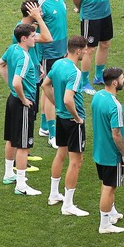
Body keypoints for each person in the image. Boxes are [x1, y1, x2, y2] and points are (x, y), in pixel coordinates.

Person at [41, 35, 91, 216]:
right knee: (76, 161)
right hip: (71, 121)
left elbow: (46, 85)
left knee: (60, 154)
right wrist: (77, 118)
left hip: (61, 118)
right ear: (78, 51)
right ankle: (68, 204)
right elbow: (69, 99)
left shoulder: (58, 64)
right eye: (84, 50)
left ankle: (54, 194)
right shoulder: (75, 73)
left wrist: (55, 103)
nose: (86, 52)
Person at [3, 0, 52, 180]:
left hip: (28, 81)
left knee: (25, 124)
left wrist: (37, 64)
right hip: (26, 85)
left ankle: (22, 155)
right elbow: (48, 38)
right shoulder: (24, 30)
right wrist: (39, 18)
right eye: (38, 8)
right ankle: (20, 164)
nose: (41, 10)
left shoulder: (26, 31)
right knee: (21, 130)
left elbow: (1, 64)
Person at [0, 23, 42, 196]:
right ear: (24, 38)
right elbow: (17, 82)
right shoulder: (24, 57)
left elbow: (0, 64)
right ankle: (21, 185)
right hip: (23, 103)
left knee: (11, 138)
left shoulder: (12, 49)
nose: (35, 38)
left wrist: (12, 88)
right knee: (23, 145)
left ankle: (9, 174)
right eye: (33, 36)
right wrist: (24, 99)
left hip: (12, 100)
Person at [91, 67, 124, 233]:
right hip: (111, 154)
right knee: (109, 187)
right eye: (122, 78)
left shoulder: (97, 96)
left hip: (99, 150)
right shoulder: (115, 105)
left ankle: (111, 212)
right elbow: (116, 134)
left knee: (105, 183)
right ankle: (104, 224)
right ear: (115, 82)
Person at [38, 0, 69, 149]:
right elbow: (33, 29)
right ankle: (53, 134)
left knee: (46, 89)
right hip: (48, 54)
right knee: (52, 92)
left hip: (60, 51)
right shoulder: (42, 3)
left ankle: (44, 126)